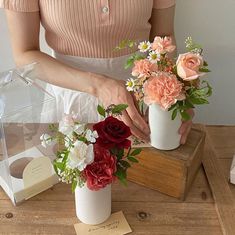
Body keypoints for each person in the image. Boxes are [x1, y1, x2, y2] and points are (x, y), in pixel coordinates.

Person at [0, 0, 193, 144]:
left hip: (141, 108)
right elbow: (24, 54)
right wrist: (99, 85)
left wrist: (174, 92)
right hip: (69, 104)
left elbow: (163, 36)